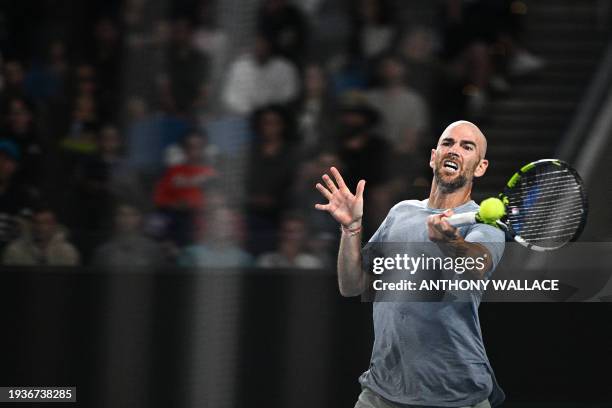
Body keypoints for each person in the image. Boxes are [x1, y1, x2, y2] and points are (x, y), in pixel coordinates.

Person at [314, 121, 506, 407]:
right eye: (447, 143)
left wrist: (450, 242)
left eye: (467, 147)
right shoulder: (400, 213)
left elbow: (476, 265)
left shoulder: (485, 223)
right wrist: (351, 229)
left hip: (454, 396)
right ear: (433, 156)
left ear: (480, 167)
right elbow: (352, 285)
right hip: (381, 392)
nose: (454, 150)